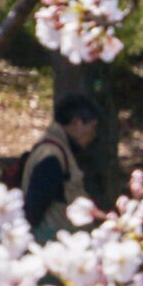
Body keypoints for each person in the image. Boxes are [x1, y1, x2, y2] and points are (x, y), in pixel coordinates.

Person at [22, 95, 99, 230]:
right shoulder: (52, 156)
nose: (93, 134)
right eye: (92, 127)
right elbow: (34, 210)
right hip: (53, 244)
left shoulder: (55, 149)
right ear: (77, 123)